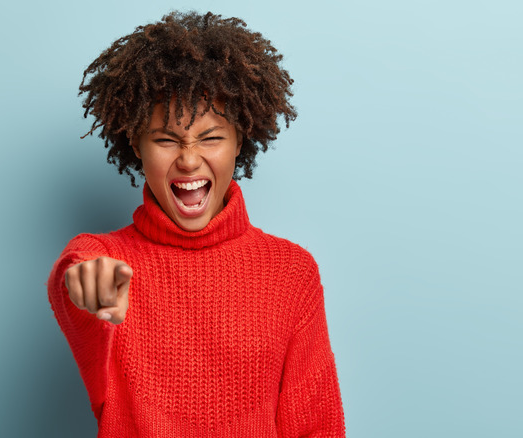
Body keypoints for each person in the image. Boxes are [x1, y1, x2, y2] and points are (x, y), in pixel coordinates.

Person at [48, 11, 345, 437]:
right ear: (136, 144)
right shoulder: (108, 259)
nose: (188, 159)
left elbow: (317, 427)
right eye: (166, 139)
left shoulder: (291, 272)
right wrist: (83, 281)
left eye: (210, 137)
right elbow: (74, 278)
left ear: (240, 140)